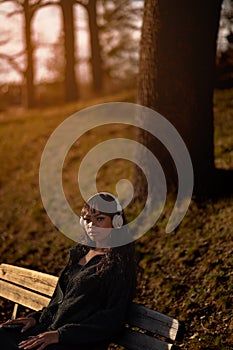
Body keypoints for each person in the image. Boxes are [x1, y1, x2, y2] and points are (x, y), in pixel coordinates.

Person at [0, 192, 137, 350]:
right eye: (87, 220)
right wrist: (36, 318)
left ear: (117, 222)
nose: (92, 226)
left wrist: (61, 334)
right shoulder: (80, 253)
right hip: (50, 331)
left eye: (100, 219)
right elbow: (61, 301)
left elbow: (112, 319)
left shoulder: (119, 265)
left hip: (76, 342)